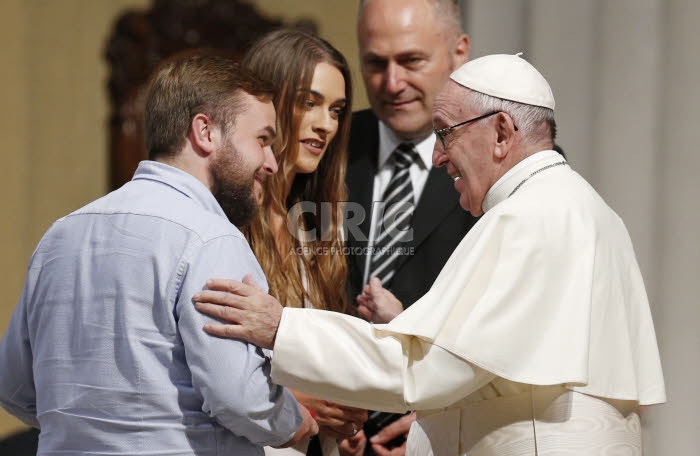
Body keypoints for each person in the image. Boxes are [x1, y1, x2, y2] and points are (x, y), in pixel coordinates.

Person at [192, 54, 666, 455]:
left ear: (501, 132)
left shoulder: (525, 218)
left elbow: (425, 369)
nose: (438, 158)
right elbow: (492, 365)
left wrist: (282, 328)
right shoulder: (584, 208)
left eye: (446, 134)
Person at [0, 53, 318, 454]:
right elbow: (239, 396)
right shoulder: (212, 239)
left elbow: (12, 386)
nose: (271, 163)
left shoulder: (59, 237)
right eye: (263, 139)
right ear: (205, 132)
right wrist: (292, 423)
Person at [346, 1, 474, 452]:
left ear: (459, 53)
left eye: (411, 61)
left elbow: (528, 324)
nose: (392, 83)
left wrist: (445, 417)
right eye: (376, 63)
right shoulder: (325, 146)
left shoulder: (504, 164)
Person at [239, 29, 367, 456]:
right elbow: (196, 366)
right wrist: (294, 405)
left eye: (336, 109)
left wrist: (337, 424)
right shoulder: (226, 220)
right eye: (308, 102)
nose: (326, 124)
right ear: (267, 102)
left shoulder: (313, 226)